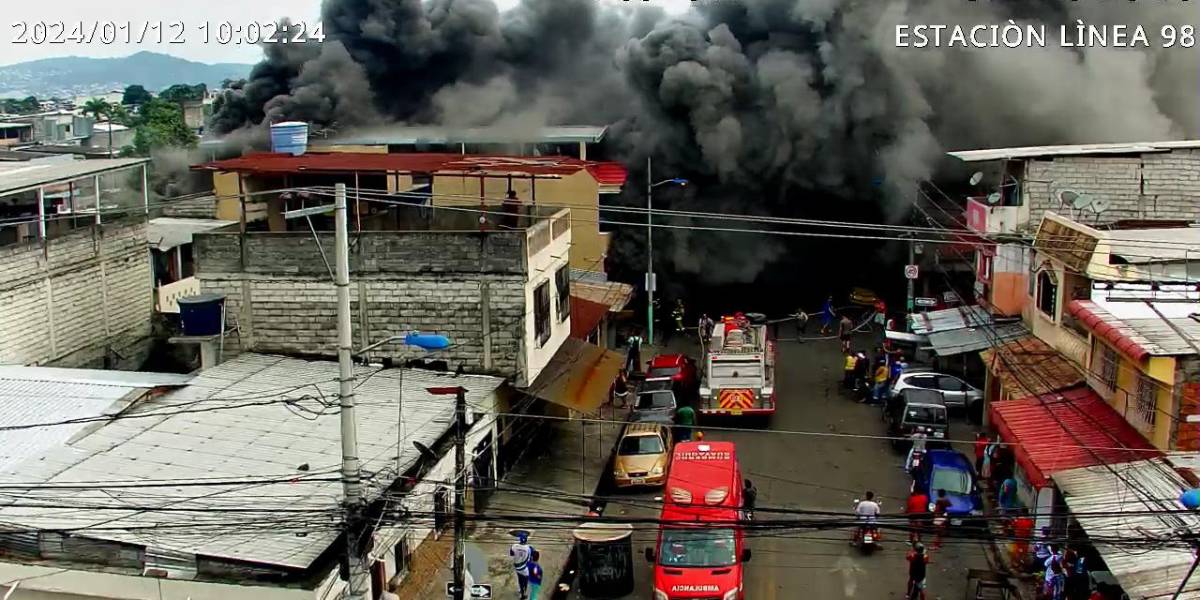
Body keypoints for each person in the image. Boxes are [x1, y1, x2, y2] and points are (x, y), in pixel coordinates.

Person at [510, 531, 534, 600]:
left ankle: (521, 591)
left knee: (520, 580)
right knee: (525, 582)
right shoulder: (529, 548)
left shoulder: (514, 546)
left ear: (519, 539)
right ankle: (523, 595)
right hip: (525, 569)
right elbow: (532, 557)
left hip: (517, 568)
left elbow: (511, 554)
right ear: (526, 540)